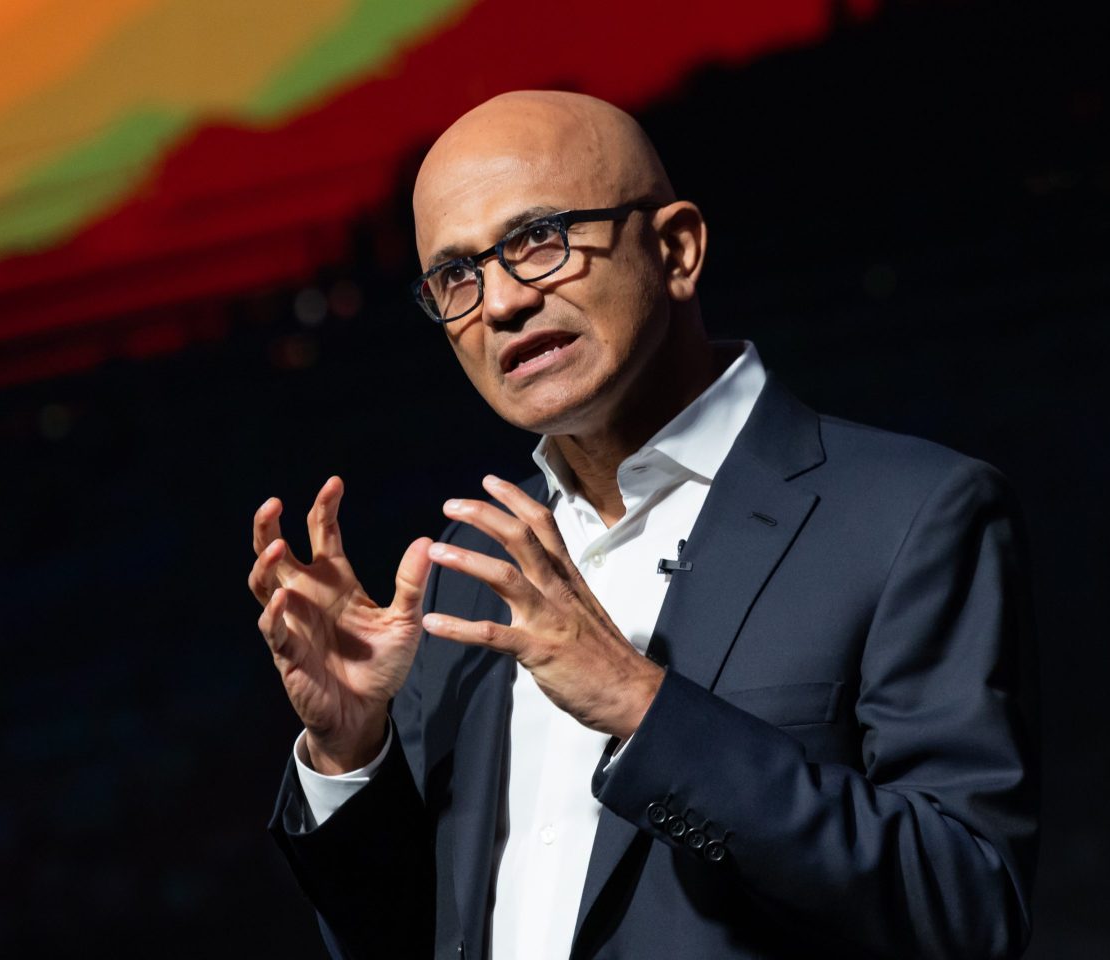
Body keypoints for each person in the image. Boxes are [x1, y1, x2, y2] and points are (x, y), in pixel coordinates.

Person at [247, 90, 1039, 960]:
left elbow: (966, 910)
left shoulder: (909, 515)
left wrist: (641, 704)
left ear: (676, 249)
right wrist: (350, 752)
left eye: (538, 239)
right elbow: (408, 938)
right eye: (456, 276)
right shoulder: (466, 571)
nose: (500, 303)